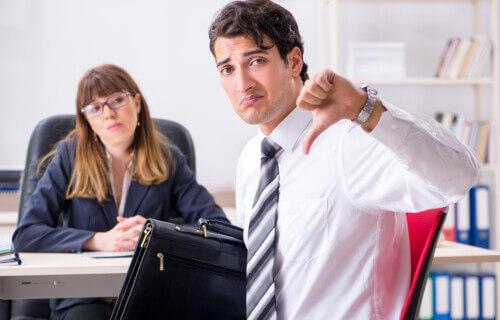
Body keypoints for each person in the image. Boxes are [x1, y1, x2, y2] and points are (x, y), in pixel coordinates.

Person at [208, 0, 480, 319]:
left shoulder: (349, 142)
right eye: (227, 69)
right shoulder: (252, 158)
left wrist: (366, 108)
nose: (242, 84)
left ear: (294, 61)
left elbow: (460, 177)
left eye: (256, 61)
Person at [12, 64, 228, 319]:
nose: (108, 114)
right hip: (84, 298)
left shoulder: (169, 159)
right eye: (95, 108)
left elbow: (217, 228)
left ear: (136, 103)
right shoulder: (69, 156)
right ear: (87, 121)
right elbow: (26, 234)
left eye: (116, 100)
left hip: (149, 294)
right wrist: (99, 241)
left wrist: (156, 235)